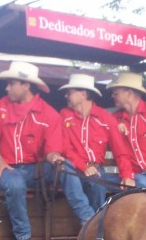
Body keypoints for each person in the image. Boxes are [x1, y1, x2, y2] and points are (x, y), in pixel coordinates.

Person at [0, 61, 63, 240]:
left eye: (11, 83)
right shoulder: (1, 106)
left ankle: (83, 226)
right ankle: (24, 239)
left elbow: (52, 149)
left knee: (67, 170)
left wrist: (55, 158)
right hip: (7, 170)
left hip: (33, 169)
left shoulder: (49, 113)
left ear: (26, 85)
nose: (7, 88)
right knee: (15, 183)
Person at [56, 73, 134, 226]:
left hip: (96, 171)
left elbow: (120, 151)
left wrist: (127, 174)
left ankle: (92, 225)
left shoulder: (106, 118)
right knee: (72, 171)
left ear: (83, 94)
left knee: (101, 182)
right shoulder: (64, 115)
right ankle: (93, 224)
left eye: (69, 92)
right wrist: (84, 166)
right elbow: (65, 148)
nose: (66, 96)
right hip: (75, 169)